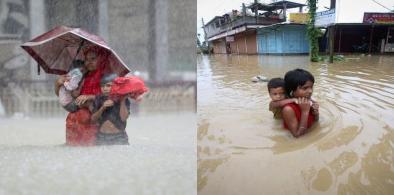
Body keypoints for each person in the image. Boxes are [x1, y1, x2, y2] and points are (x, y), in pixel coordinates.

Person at [55, 45, 110, 146]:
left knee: (88, 150)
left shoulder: (107, 77)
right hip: (75, 121)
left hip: (93, 121)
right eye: (86, 59)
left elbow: (111, 97)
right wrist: (58, 84)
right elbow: (67, 96)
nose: (89, 62)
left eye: (93, 59)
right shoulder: (81, 75)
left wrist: (90, 97)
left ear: (101, 59)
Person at [91, 75, 148, 145]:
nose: (105, 88)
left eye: (108, 86)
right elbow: (93, 120)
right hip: (102, 137)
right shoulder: (99, 99)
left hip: (119, 137)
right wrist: (102, 107)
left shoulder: (124, 99)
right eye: (102, 86)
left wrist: (122, 100)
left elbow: (123, 118)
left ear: (114, 86)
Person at [282, 69, 319, 138]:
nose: (310, 91)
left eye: (311, 87)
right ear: (292, 91)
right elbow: (297, 136)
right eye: (305, 88)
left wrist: (316, 114)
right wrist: (305, 112)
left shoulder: (309, 101)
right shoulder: (288, 109)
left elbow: (315, 122)